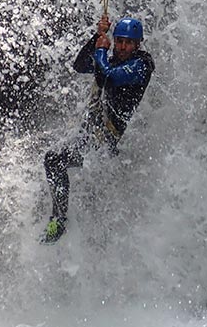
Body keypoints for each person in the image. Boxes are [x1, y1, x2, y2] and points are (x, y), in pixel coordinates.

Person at [42, 14, 155, 242]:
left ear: (137, 44)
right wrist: (97, 37)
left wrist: (102, 51)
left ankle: (60, 221)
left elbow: (109, 78)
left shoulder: (142, 65)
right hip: (93, 133)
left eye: (128, 43)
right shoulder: (111, 59)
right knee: (53, 160)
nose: (122, 47)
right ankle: (59, 218)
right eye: (119, 41)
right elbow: (80, 65)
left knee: (55, 159)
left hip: (105, 139)